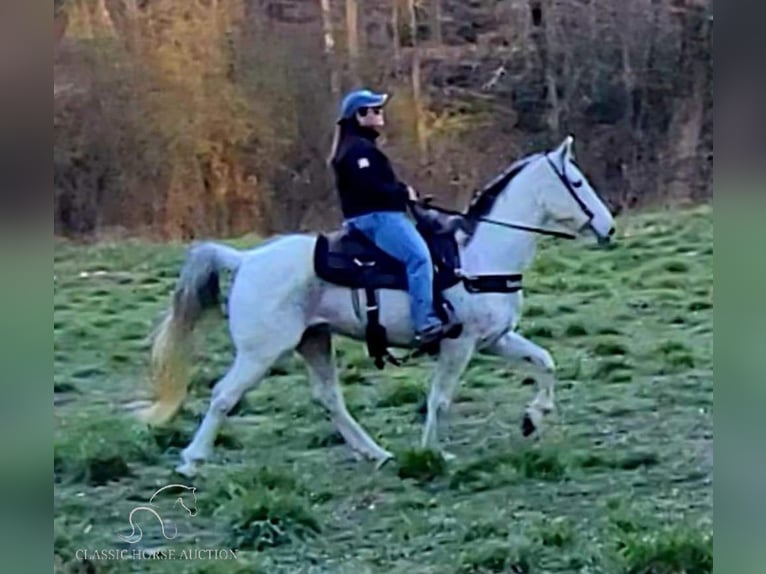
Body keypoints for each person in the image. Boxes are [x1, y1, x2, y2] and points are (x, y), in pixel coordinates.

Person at [327, 89, 454, 347]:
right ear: (359, 116)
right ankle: (425, 323)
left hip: (377, 215)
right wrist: (402, 193)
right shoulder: (358, 151)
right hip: (377, 219)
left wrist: (404, 193)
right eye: (374, 110)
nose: (379, 113)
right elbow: (371, 187)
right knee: (418, 258)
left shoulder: (360, 147)